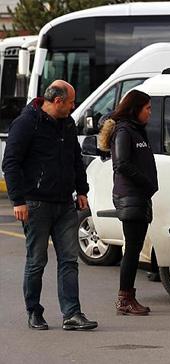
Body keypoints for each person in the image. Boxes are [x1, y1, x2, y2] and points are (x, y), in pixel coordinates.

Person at [2, 80, 98, 330]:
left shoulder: (66, 124)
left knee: (69, 260)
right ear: (57, 101)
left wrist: (82, 190)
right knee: (37, 261)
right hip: (35, 204)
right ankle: (34, 312)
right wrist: (18, 200)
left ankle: (72, 314)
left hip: (64, 203)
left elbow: (75, 158)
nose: (73, 106)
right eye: (70, 102)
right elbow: (10, 163)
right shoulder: (26, 124)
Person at [97, 90, 158, 315]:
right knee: (132, 249)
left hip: (138, 196)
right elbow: (121, 164)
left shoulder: (135, 130)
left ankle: (127, 297)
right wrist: (147, 183)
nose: (150, 112)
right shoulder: (124, 131)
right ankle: (125, 299)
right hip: (131, 195)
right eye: (147, 108)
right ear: (135, 108)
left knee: (134, 248)